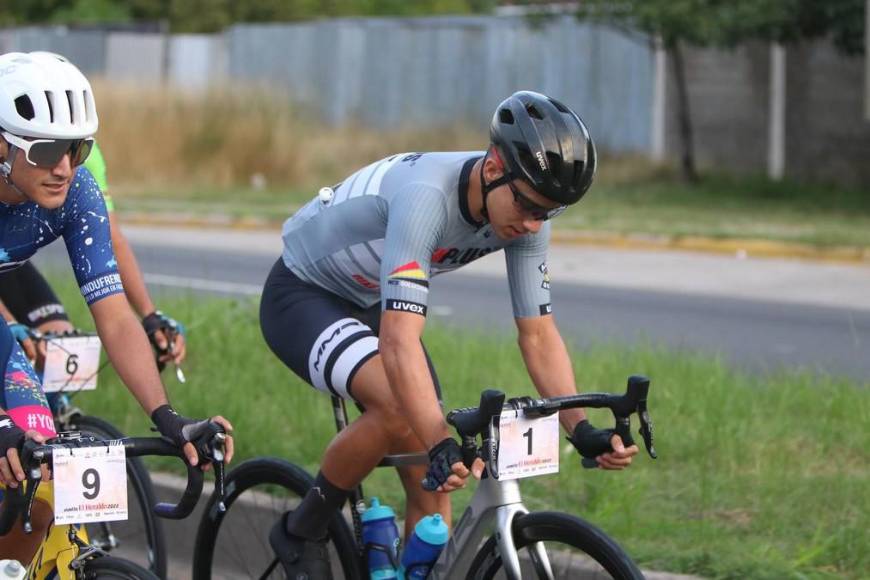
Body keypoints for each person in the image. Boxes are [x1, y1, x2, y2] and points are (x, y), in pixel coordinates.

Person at [259, 90, 638, 577]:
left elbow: (539, 334)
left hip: (373, 299)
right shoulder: (427, 197)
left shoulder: (527, 215)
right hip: (304, 293)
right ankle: (301, 529)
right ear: (494, 165)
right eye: (527, 205)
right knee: (401, 413)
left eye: (548, 212)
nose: (531, 224)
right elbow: (399, 340)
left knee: (437, 487)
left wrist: (580, 429)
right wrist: (437, 439)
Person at [0, 51, 233, 561]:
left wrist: (167, 416)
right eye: (45, 151)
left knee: (44, 482)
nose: (63, 167)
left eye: (77, 149)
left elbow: (114, 315)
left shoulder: (76, 189)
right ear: (1, 146)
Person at [0, 139, 187, 372]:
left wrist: (149, 315)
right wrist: (8, 323)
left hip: (11, 259)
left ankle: (56, 407)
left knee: (57, 343)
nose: (64, 167)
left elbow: (109, 236)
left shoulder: (86, 154)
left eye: (76, 153)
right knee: (10, 345)